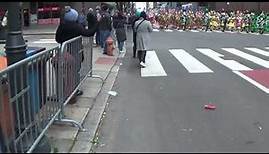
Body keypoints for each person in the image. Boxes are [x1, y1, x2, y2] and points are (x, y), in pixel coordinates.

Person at [55, 6, 97, 103]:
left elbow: (57, 38)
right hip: (75, 51)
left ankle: (64, 91)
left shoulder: (62, 26)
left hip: (64, 52)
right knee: (75, 72)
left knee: (65, 73)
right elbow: (88, 33)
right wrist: (95, 25)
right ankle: (74, 90)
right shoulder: (76, 26)